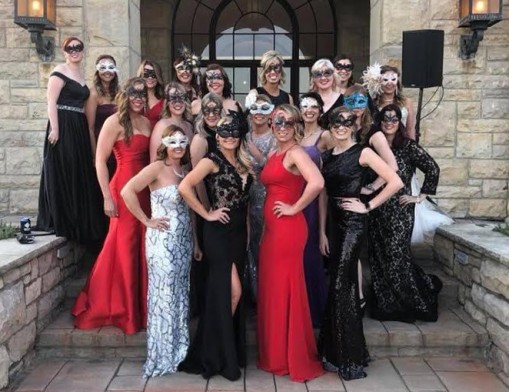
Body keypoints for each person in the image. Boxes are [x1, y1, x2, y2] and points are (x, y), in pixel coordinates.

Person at [318, 106, 403, 380]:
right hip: (333, 224)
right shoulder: (326, 156)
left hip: (354, 225)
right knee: (337, 285)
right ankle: (333, 353)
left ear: (354, 124)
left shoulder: (363, 152)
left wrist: (368, 204)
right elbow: (322, 195)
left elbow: (395, 181)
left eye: (346, 122)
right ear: (330, 126)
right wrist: (321, 231)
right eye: (336, 122)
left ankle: (350, 358)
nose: (341, 126)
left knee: (344, 285)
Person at [72, 77, 152, 334]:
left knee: (142, 246)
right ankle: (125, 310)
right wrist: (106, 195)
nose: (138, 98)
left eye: (142, 94)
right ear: (125, 95)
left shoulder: (147, 122)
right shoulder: (114, 121)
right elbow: (99, 161)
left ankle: (142, 306)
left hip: (145, 192)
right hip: (122, 190)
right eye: (134, 94)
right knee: (124, 246)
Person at [121, 125, 201, 377]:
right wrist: (146, 220)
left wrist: (196, 242)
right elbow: (127, 191)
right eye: (173, 141)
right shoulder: (156, 168)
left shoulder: (185, 170)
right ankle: (162, 353)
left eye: (182, 141)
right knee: (163, 297)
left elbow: (190, 210)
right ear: (164, 144)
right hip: (162, 243)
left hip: (184, 241)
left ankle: (179, 350)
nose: (178, 146)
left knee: (180, 295)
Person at [178, 111, 253, 381]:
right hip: (218, 232)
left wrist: (247, 233)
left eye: (234, 131)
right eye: (223, 132)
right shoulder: (212, 161)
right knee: (233, 291)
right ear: (217, 137)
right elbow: (185, 187)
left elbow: (244, 203)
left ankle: (219, 349)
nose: (229, 136)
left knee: (229, 293)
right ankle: (215, 351)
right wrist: (206, 213)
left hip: (237, 234)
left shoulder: (244, 161)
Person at [257, 104, 325, 383]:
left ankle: (290, 355)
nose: (281, 126)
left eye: (287, 122)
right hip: (272, 231)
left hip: (288, 230)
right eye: (277, 121)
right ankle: (275, 353)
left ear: (296, 124)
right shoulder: (275, 152)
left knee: (286, 288)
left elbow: (318, 182)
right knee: (273, 289)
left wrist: (295, 207)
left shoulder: (296, 152)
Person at [367, 104, 443, 322]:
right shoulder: (373, 147)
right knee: (378, 257)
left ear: (399, 122)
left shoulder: (408, 146)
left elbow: (432, 167)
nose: (389, 122)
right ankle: (387, 305)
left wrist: (420, 196)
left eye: (394, 119)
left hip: (400, 210)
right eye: (385, 118)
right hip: (377, 210)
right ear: (379, 121)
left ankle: (412, 303)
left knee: (397, 257)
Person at [36, 36, 107, 243]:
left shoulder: (82, 74)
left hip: (78, 124)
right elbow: (51, 101)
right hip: (64, 124)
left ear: (83, 50)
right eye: (70, 48)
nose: (74, 50)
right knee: (65, 167)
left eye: (78, 47)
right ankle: (65, 218)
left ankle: (78, 217)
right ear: (64, 51)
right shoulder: (59, 72)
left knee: (78, 168)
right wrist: (55, 128)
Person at [343, 83, 398, 311]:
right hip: (344, 196)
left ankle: (360, 297)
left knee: (353, 251)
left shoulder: (373, 133)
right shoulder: (343, 128)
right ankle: (349, 295)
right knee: (346, 251)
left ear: (367, 103)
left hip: (360, 199)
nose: (356, 107)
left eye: (360, 101)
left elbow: (392, 166)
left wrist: (372, 188)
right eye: (351, 101)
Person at [298, 92, 328, 328]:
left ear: (320, 110)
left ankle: (313, 314)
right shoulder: (294, 134)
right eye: (304, 106)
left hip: (312, 205)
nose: (309, 110)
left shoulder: (325, 136)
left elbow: (323, 185)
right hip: (291, 201)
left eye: (313, 106)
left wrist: (323, 230)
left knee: (309, 257)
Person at [245, 94, 276, 301]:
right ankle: (252, 293)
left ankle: (266, 295)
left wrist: (253, 151)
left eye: (264, 109)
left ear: (271, 113)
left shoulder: (275, 137)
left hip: (266, 195)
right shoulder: (244, 135)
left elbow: (270, 166)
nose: (259, 113)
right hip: (246, 195)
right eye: (255, 108)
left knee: (266, 243)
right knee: (250, 243)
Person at [86, 54, 120, 177]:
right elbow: (90, 127)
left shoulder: (119, 92)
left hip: (118, 146)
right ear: (97, 70)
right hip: (101, 145)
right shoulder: (93, 93)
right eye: (103, 67)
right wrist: (96, 155)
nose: (107, 71)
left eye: (111, 67)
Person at [149, 82, 194, 162]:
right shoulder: (161, 126)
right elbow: (154, 160)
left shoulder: (189, 126)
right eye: (173, 98)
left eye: (181, 98)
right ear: (167, 103)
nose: (178, 103)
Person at [309, 59, 342, 130]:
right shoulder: (305, 100)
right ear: (313, 78)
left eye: (327, 73)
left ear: (333, 76)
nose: (323, 78)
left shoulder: (343, 100)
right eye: (318, 74)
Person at [137, 59, 165, 129]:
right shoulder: (133, 97)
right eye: (146, 75)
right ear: (141, 75)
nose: (150, 78)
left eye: (153, 75)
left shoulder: (165, 99)